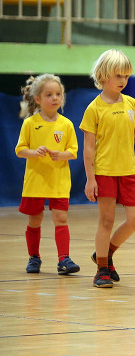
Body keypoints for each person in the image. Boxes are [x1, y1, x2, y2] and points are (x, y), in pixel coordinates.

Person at [80, 49, 135, 288]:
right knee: (106, 220)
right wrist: (90, 178)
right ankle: (102, 269)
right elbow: (89, 148)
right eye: (118, 75)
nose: (123, 80)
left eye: (126, 76)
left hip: (128, 172)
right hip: (104, 172)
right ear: (104, 76)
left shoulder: (132, 104)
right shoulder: (94, 109)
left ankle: (106, 253)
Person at [15, 74, 80, 275]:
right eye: (49, 94)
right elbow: (20, 150)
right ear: (38, 99)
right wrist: (33, 152)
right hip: (35, 181)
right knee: (34, 220)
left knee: (61, 218)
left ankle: (64, 259)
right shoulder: (30, 123)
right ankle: (34, 257)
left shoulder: (66, 124)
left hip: (58, 181)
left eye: (58, 94)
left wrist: (61, 155)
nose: (55, 98)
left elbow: (73, 152)